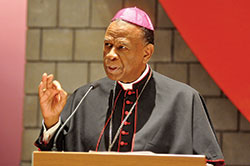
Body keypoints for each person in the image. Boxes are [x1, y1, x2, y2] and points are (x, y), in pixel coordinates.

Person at [35, 7, 225, 166]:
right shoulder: (84, 97)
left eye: (121, 47)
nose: (110, 54)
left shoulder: (184, 99)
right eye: (107, 45)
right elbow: (56, 157)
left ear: (147, 53)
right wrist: (51, 122)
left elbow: (210, 162)